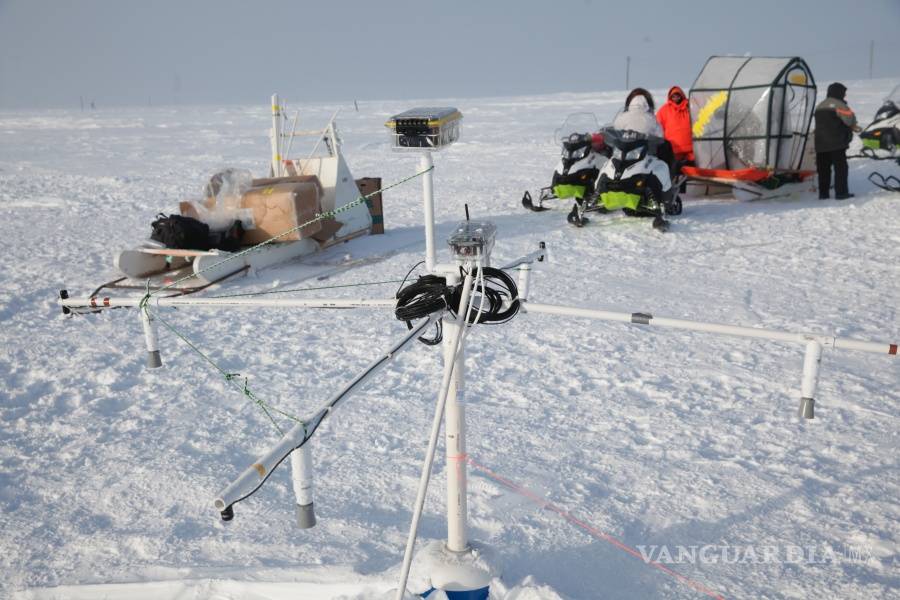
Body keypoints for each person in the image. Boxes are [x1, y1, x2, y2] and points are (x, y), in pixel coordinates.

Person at [814, 82, 860, 200]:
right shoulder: (839, 104)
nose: (844, 96)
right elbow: (849, 121)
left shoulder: (819, 106)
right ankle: (841, 193)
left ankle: (823, 194)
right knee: (840, 169)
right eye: (843, 93)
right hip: (836, 143)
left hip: (820, 144)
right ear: (839, 92)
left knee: (823, 170)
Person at [656, 86, 694, 163]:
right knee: (675, 169)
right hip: (674, 150)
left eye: (677, 95)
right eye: (673, 96)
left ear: (682, 95)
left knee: (692, 170)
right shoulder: (664, 110)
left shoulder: (690, 107)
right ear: (670, 97)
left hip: (691, 149)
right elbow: (658, 127)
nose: (676, 97)